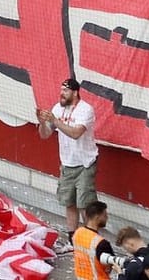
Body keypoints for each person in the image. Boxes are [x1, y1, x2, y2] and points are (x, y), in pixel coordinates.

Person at [37, 76, 99, 231]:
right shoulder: (57, 108)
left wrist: (56, 121)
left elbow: (76, 133)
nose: (61, 93)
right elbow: (44, 135)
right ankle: (72, 240)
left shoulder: (86, 110)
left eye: (65, 90)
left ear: (75, 93)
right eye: (61, 90)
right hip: (67, 164)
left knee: (85, 205)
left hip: (85, 164)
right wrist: (42, 122)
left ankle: (89, 238)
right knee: (69, 203)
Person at [70, 201, 117, 280]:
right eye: (105, 215)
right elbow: (109, 267)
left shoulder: (77, 233)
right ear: (97, 217)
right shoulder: (101, 243)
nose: (107, 218)